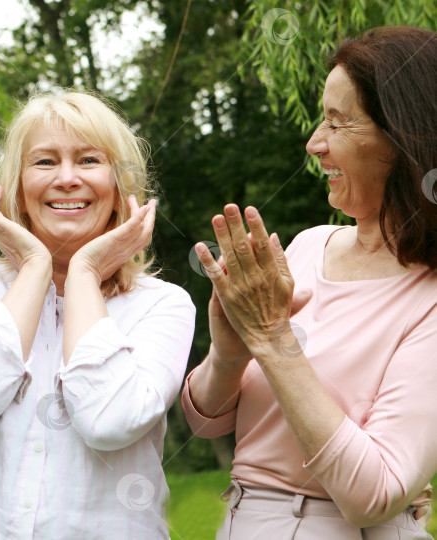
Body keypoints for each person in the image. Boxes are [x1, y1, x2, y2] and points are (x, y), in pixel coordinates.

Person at [183, 26, 437, 539]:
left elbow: (375, 494)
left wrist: (273, 339)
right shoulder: (305, 246)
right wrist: (230, 353)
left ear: (403, 140)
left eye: (338, 123)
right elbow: (207, 424)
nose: (314, 143)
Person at [0, 91, 195, 539]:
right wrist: (37, 267)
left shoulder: (163, 304)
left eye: (88, 160)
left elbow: (110, 421)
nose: (67, 179)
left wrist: (83, 272)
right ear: (18, 191)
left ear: (121, 187)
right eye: (44, 162)